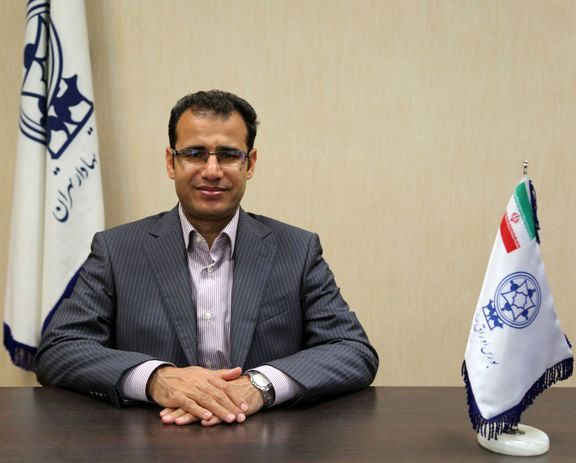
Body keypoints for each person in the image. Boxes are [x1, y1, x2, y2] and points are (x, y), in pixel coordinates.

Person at [35, 90, 378, 427]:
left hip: (264, 441)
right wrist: (156, 379)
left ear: (250, 163)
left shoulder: (297, 249)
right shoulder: (117, 249)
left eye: (228, 155)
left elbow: (352, 350)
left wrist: (260, 385)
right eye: (195, 154)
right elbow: (60, 349)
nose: (212, 170)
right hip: (153, 439)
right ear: (171, 162)